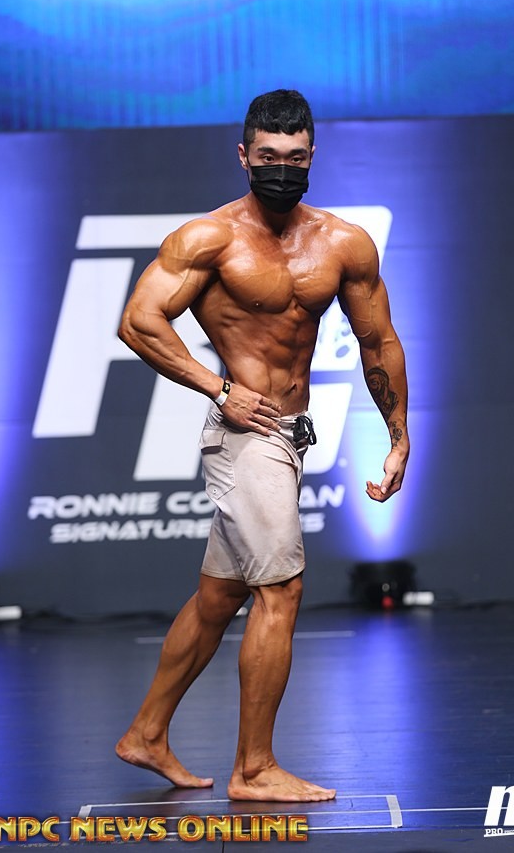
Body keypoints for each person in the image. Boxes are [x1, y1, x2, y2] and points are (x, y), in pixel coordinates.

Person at [115, 89, 409, 803]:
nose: (282, 168)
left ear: (313, 157)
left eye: (295, 157)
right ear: (244, 156)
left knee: (220, 596)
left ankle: (146, 734)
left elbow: (378, 342)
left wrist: (399, 435)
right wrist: (218, 387)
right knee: (281, 590)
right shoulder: (209, 239)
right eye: (269, 156)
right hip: (246, 437)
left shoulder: (343, 243)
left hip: (291, 436)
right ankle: (253, 769)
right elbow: (138, 321)